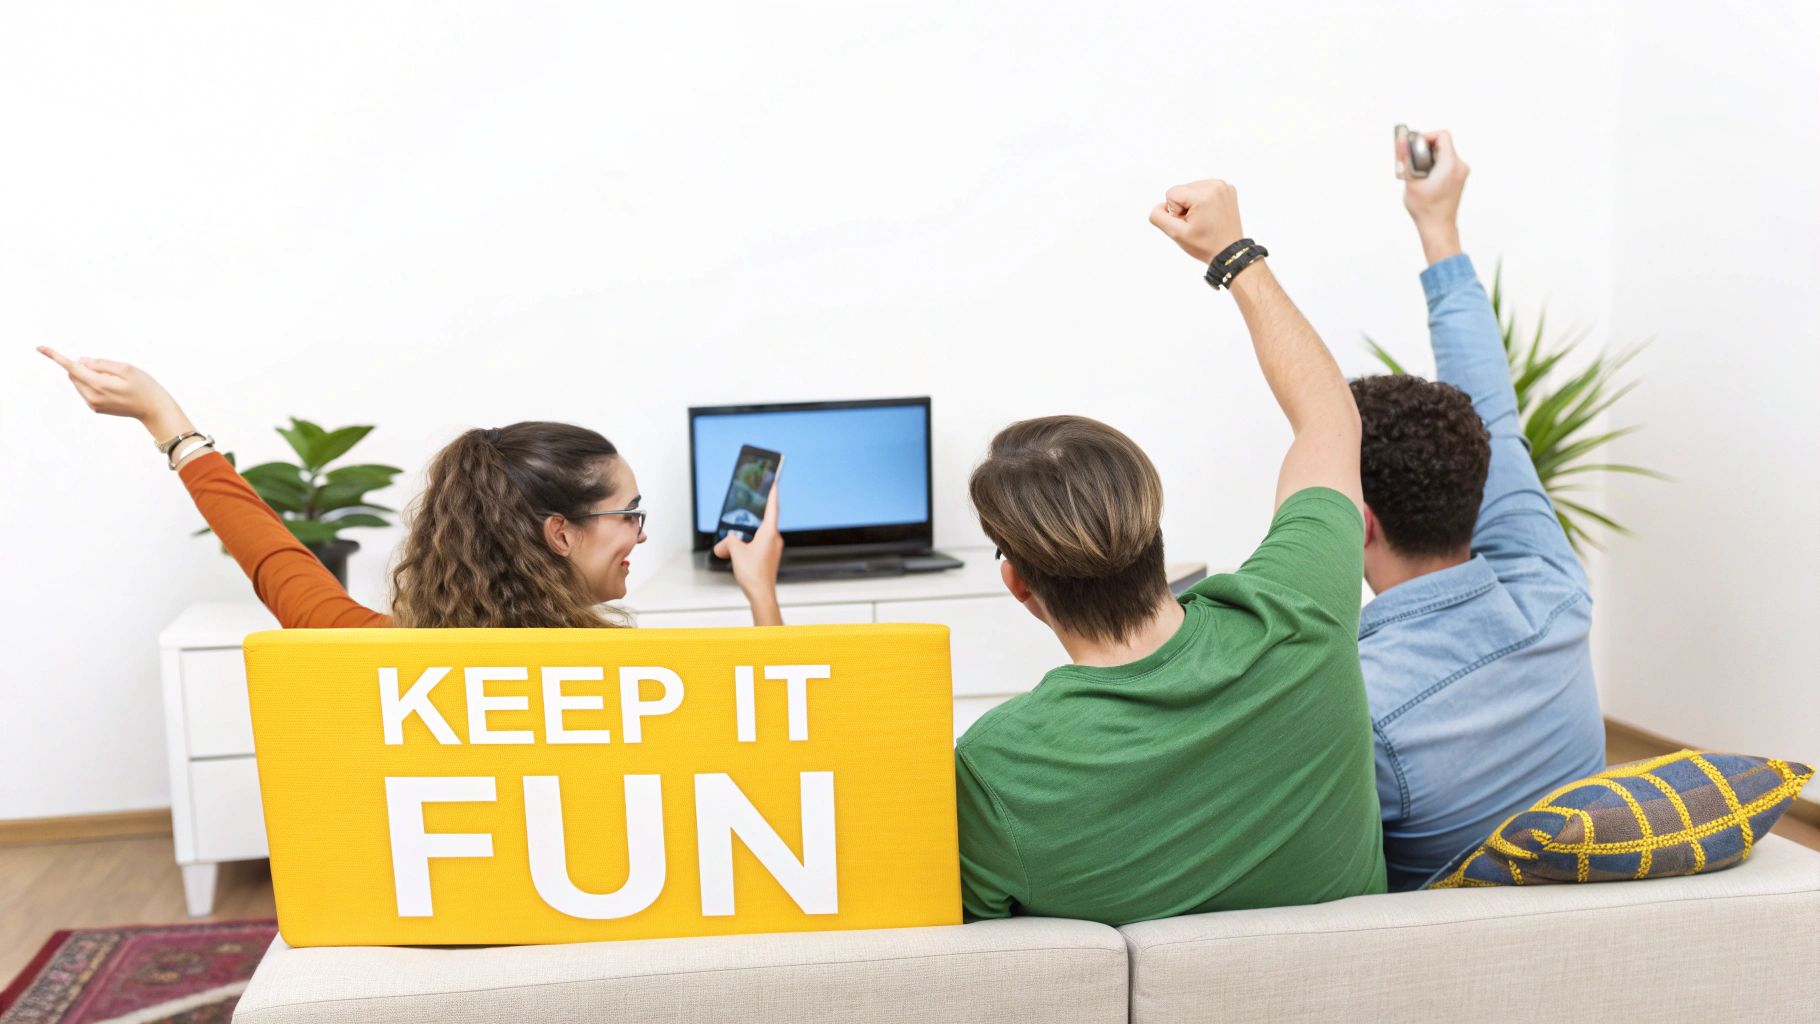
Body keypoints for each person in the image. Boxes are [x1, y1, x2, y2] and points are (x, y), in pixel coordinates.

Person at [954, 179, 1385, 924]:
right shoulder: (1302, 616)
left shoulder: (996, 773)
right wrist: (1232, 254)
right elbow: (1329, 419)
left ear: (1017, 581)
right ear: (1152, 532)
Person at [36, 348, 786, 628]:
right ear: (559, 533)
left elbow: (277, 563)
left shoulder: (378, 655)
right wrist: (760, 592)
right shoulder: (641, 681)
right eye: (631, 514)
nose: (644, 534)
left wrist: (170, 425)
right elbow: (778, 739)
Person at [1352, 131, 1604, 890]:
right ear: (1478, 482)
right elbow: (1489, 408)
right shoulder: (1551, 585)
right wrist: (1439, 227)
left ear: (1357, 521)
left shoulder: (1358, 705)